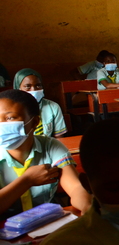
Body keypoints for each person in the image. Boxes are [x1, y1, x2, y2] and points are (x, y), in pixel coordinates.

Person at [0, 89, 92, 219]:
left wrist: (87, 207)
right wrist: (27, 180)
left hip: (45, 221)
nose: (2, 125)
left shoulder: (51, 146)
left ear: (34, 122)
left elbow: (76, 188)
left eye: (10, 118)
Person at [14, 68, 68, 138]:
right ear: (18, 88)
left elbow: (59, 137)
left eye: (38, 85)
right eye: (28, 86)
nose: (34, 90)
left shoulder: (53, 107)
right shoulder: (11, 109)